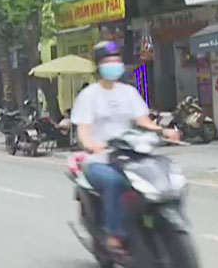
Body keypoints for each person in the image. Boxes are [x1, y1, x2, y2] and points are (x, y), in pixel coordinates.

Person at [72, 41, 180, 257]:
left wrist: (163, 131)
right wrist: (91, 145)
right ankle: (114, 234)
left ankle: (166, 221)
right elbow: (83, 130)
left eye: (117, 60)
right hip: (100, 159)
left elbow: (144, 121)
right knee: (115, 181)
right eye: (108, 61)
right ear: (99, 65)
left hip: (130, 154)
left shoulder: (129, 92)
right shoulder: (89, 95)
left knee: (166, 174)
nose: (114, 64)